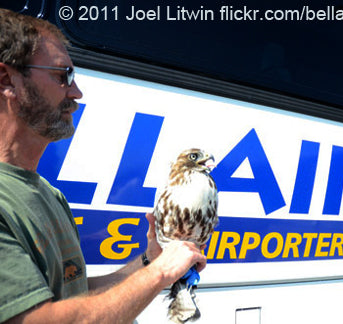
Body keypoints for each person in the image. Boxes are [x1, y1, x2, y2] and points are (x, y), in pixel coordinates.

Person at [0, 8, 206, 323]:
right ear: (6, 79)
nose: (76, 92)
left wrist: (149, 262)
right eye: (62, 75)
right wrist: (161, 274)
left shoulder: (49, 194)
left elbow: (76, 297)